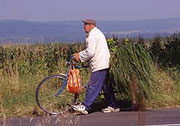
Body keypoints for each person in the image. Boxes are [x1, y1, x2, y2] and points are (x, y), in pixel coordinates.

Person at [72, 19, 119, 114]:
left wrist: (79, 56)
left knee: (93, 86)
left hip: (99, 64)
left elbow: (91, 51)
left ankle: (85, 107)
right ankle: (113, 105)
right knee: (106, 86)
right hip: (103, 62)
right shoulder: (97, 33)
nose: (84, 26)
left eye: (85, 24)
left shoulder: (93, 35)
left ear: (91, 25)